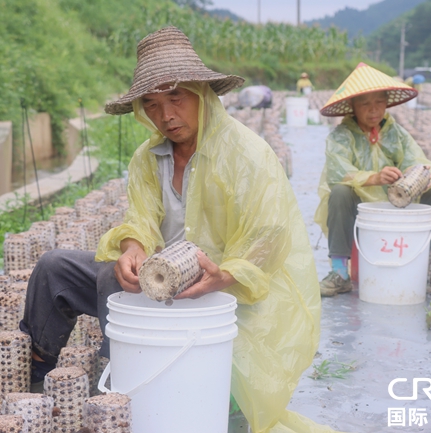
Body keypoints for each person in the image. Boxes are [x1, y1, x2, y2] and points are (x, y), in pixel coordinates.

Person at [21, 27, 343, 433]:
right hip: (158, 289)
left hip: (227, 295)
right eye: (152, 104)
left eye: (176, 97)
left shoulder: (248, 155)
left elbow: (268, 239)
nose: (166, 115)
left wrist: (224, 274)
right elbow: (140, 217)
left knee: (221, 409)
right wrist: (134, 247)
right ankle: (36, 381)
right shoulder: (147, 158)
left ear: (202, 93)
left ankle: (118, 387)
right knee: (57, 268)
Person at [314, 62, 431, 297]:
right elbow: (339, 172)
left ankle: (426, 268)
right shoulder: (342, 136)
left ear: (387, 103)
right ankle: (340, 273)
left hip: (397, 202)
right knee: (339, 192)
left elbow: (419, 161)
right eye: (365, 104)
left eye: (379, 102)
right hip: (359, 209)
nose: (373, 110)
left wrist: (420, 177)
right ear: (352, 107)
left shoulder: (395, 132)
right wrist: (375, 177)